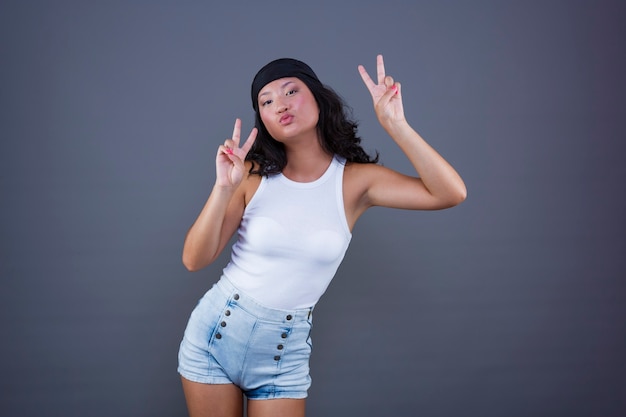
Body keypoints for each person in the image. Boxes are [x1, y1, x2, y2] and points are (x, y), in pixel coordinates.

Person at [178, 55, 466, 417]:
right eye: (266, 101)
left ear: (317, 96)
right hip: (216, 335)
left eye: (290, 91)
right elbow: (194, 260)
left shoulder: (356, 182)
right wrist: (222, 190)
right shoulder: (248, 175)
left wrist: (396, 125)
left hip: (285, 351)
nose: (280, 104)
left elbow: (450, 193)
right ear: (262, 120)